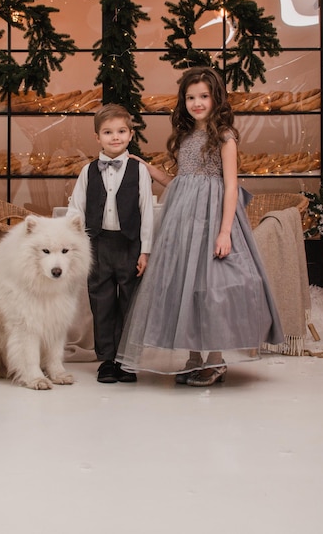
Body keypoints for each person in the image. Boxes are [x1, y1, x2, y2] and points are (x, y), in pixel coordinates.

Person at [116, 67, 283, 386]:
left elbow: (231, 186)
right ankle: (193, 357)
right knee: (185, 284)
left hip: (213, 218)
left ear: (216, 98)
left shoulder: (224, 136)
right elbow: (181, 181)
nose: (196, 102)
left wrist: (224, 232)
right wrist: (149, 169)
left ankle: (216, 359)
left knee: (212, 285)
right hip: (183, 220)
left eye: (203, 96)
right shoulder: (185, 136)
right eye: (190, 97)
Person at [67, 103, 154, 383]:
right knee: (101, 302)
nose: (115, 137)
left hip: (129, 245)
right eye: (108, 132)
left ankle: (127, 360)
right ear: (97, 137)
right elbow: (75, 210)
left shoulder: (139, 170)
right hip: (98, 246)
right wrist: (73, 247)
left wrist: (145, 250)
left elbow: (147, 211)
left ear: (130, 134)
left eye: (120, 131)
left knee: (130, 303)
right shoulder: (87, 171)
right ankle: (107, 359)